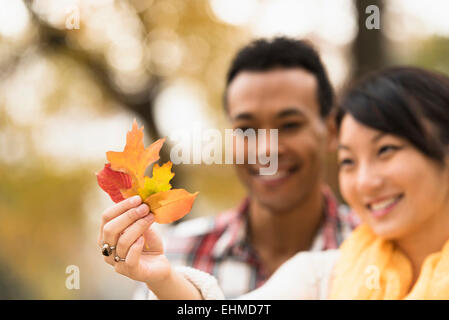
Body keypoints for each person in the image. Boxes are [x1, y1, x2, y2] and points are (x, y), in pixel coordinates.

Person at [99, 65, 449, 299]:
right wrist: (163, 279)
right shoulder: (326, 278)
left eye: (386, 150)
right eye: (347, 161)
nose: (365, 181)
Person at [97, 37, 356, 299]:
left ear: (332, 131)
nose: (266, 150)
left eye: (289, 125)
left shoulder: (378, 248)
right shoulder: (172, 256)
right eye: (246, 130)